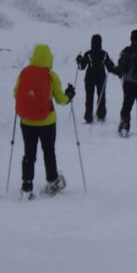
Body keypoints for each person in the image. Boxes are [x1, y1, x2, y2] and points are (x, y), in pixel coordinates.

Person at [13, 43, 75, 198]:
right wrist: (70, 95)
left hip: (26, 122)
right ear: (49, 59)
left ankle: (27, 187)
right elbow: (61, 99)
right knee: (48, 152)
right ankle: (53, 181)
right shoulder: (51, 76)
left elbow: (16, 94)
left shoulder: (24, 73)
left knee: (29, 154)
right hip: (47, 122)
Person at [76, 33, 116, 124]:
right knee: (101, 97)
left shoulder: (88, 53)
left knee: (89, 97)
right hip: (101, 77)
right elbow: (110, 67)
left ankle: (88, 117)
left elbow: (81, 67)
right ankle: (101, 115)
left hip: (89, 77)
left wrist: (79, 60)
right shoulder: (104, 54)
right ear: (100, 42)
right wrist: (117, 69)